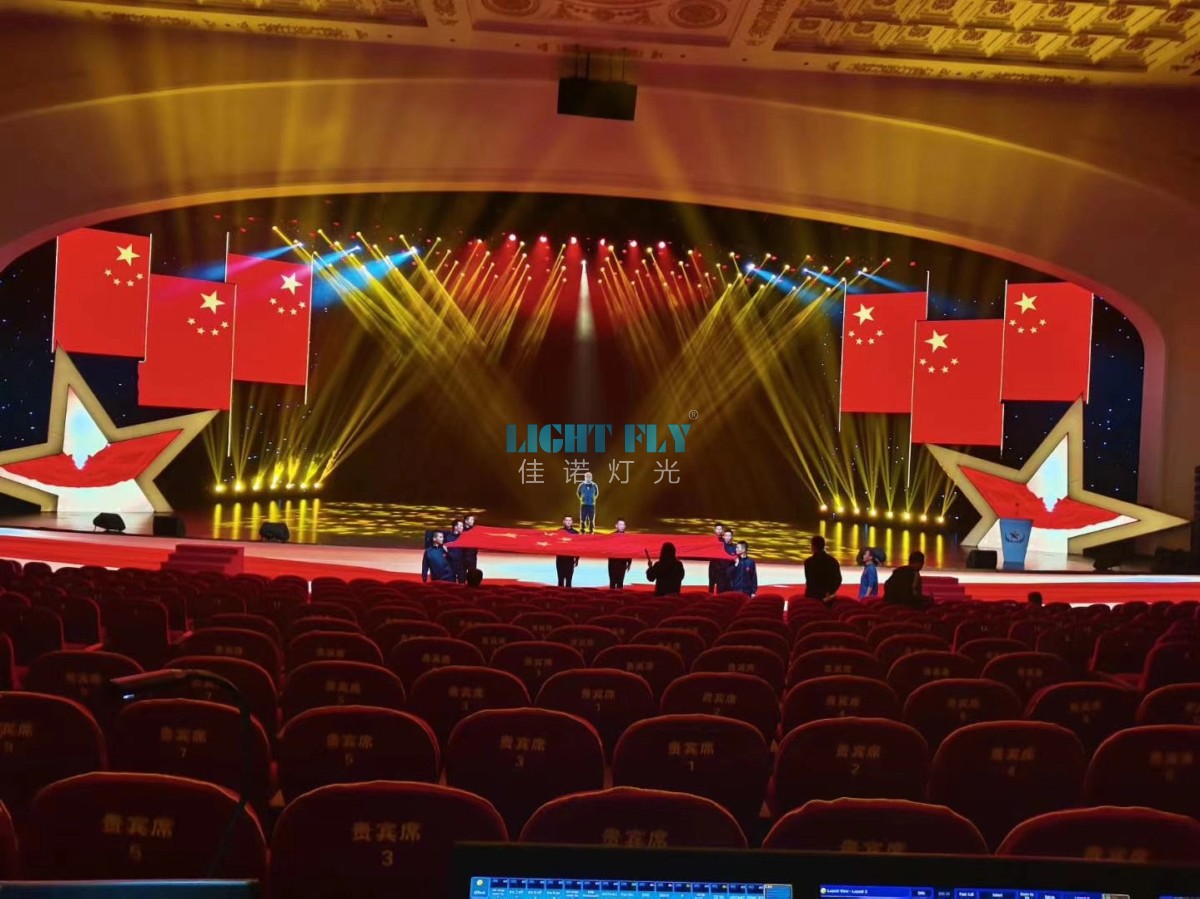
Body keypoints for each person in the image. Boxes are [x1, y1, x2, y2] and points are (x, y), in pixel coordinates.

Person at [803, 535, 842, 600]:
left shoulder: (809, 562)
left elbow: (810, 582)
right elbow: (838, 579)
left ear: (813, 546)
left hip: (812, 597)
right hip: (828, 598)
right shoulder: (833, 561)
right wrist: (829, 592)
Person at [555, 515, 580, 588]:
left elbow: (578, 547)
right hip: (560, 559)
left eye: (570, 520)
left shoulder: (575, 533)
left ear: (572, 522)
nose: (568, 522)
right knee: (560, 580)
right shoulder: (559, 532)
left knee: (569, 581)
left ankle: (568, 594)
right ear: (563, 522)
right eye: (566, 520)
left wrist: (577, 559)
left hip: (570, 559)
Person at [607, 518, 633, 589]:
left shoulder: (628, 537)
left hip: (622, 563)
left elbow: (629, 550)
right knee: (612, 582)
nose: (622, 526)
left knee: (620, 583)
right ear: (616, 526)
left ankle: (619, 595)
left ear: (625, 526)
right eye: (620, 524)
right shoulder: (611, 536)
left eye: (623, 525)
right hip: (612, 562)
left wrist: (629, 562)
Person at [708, 523, 728, 592]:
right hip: (712, 565)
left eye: (720, 529)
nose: (719, 530)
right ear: (714, 530)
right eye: (717, 529)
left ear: (722, 530)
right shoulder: (710, 540)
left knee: (720, 586)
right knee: (711, 584)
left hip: (721, 566)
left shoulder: (724, 541)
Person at [445, 518, 466, 583]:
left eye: (462, 526)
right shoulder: (448, 538)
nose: (462, 527)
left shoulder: (464, 537)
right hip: (451, 564)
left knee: (462, 582)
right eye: (461, 526)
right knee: (451, 583)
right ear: (455, 527)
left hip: (461, 564)